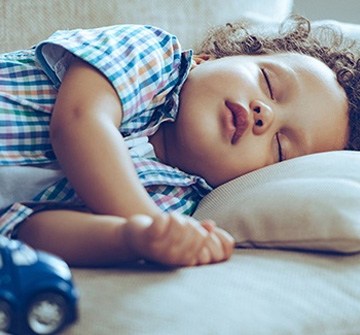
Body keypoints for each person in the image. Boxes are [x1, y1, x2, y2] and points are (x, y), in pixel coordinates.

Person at [0, 16, 359, 267]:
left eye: (281, 146)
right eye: (268, 82)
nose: (265, 113)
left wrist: (133, 239)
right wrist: (143, 219)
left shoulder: (179, 202)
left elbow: (30, 232)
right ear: (211, 59)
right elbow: (80, 122)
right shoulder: (151, 53)